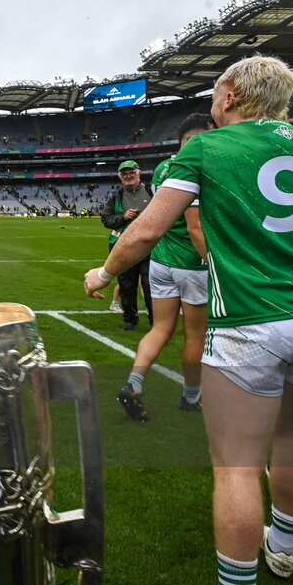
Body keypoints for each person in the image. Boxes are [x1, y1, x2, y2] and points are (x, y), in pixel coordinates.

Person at [83, 55, 293, 585]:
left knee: (238, 465)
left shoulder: (209, 148)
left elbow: (144, 230)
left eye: (217, 90)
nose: (213, 100)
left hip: (251, 323)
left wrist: (103, 271)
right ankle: (284, 550)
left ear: (234, 94)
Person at [116, 114, 215, 421]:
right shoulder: (199, 165)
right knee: (195, 334)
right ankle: (190, 397)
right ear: (200, 137)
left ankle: (134, 382)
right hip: (192, 264)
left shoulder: (163, 167)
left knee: (160, 328)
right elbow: (196, 227)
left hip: (160, 261)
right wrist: (217, 265)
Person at [99, 160, 153, 330]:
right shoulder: (116, 195)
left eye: (132, 172)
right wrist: (123, 217)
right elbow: (106, 219)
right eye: (124, 174)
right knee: (126, 285)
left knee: (151, 285)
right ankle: (130, 320)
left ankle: (155, 321)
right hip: (124, 246)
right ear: (120, 177)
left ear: (139, 174)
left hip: (150, 246)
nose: (128, 176)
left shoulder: (152, 191)